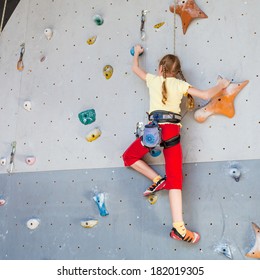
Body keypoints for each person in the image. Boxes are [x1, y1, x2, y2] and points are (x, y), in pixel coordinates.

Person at [122, 44, 230, 244]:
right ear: (176, 71)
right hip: (172, 132)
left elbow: (135, 69)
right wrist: (221, 84)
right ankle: (178, 228)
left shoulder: (153, 80)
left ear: (161, 68)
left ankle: (156, 179)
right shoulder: (180, 85)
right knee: (175, 181)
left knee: (128, 157)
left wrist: (137, 53)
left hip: (153, 133)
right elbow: (206, 95)